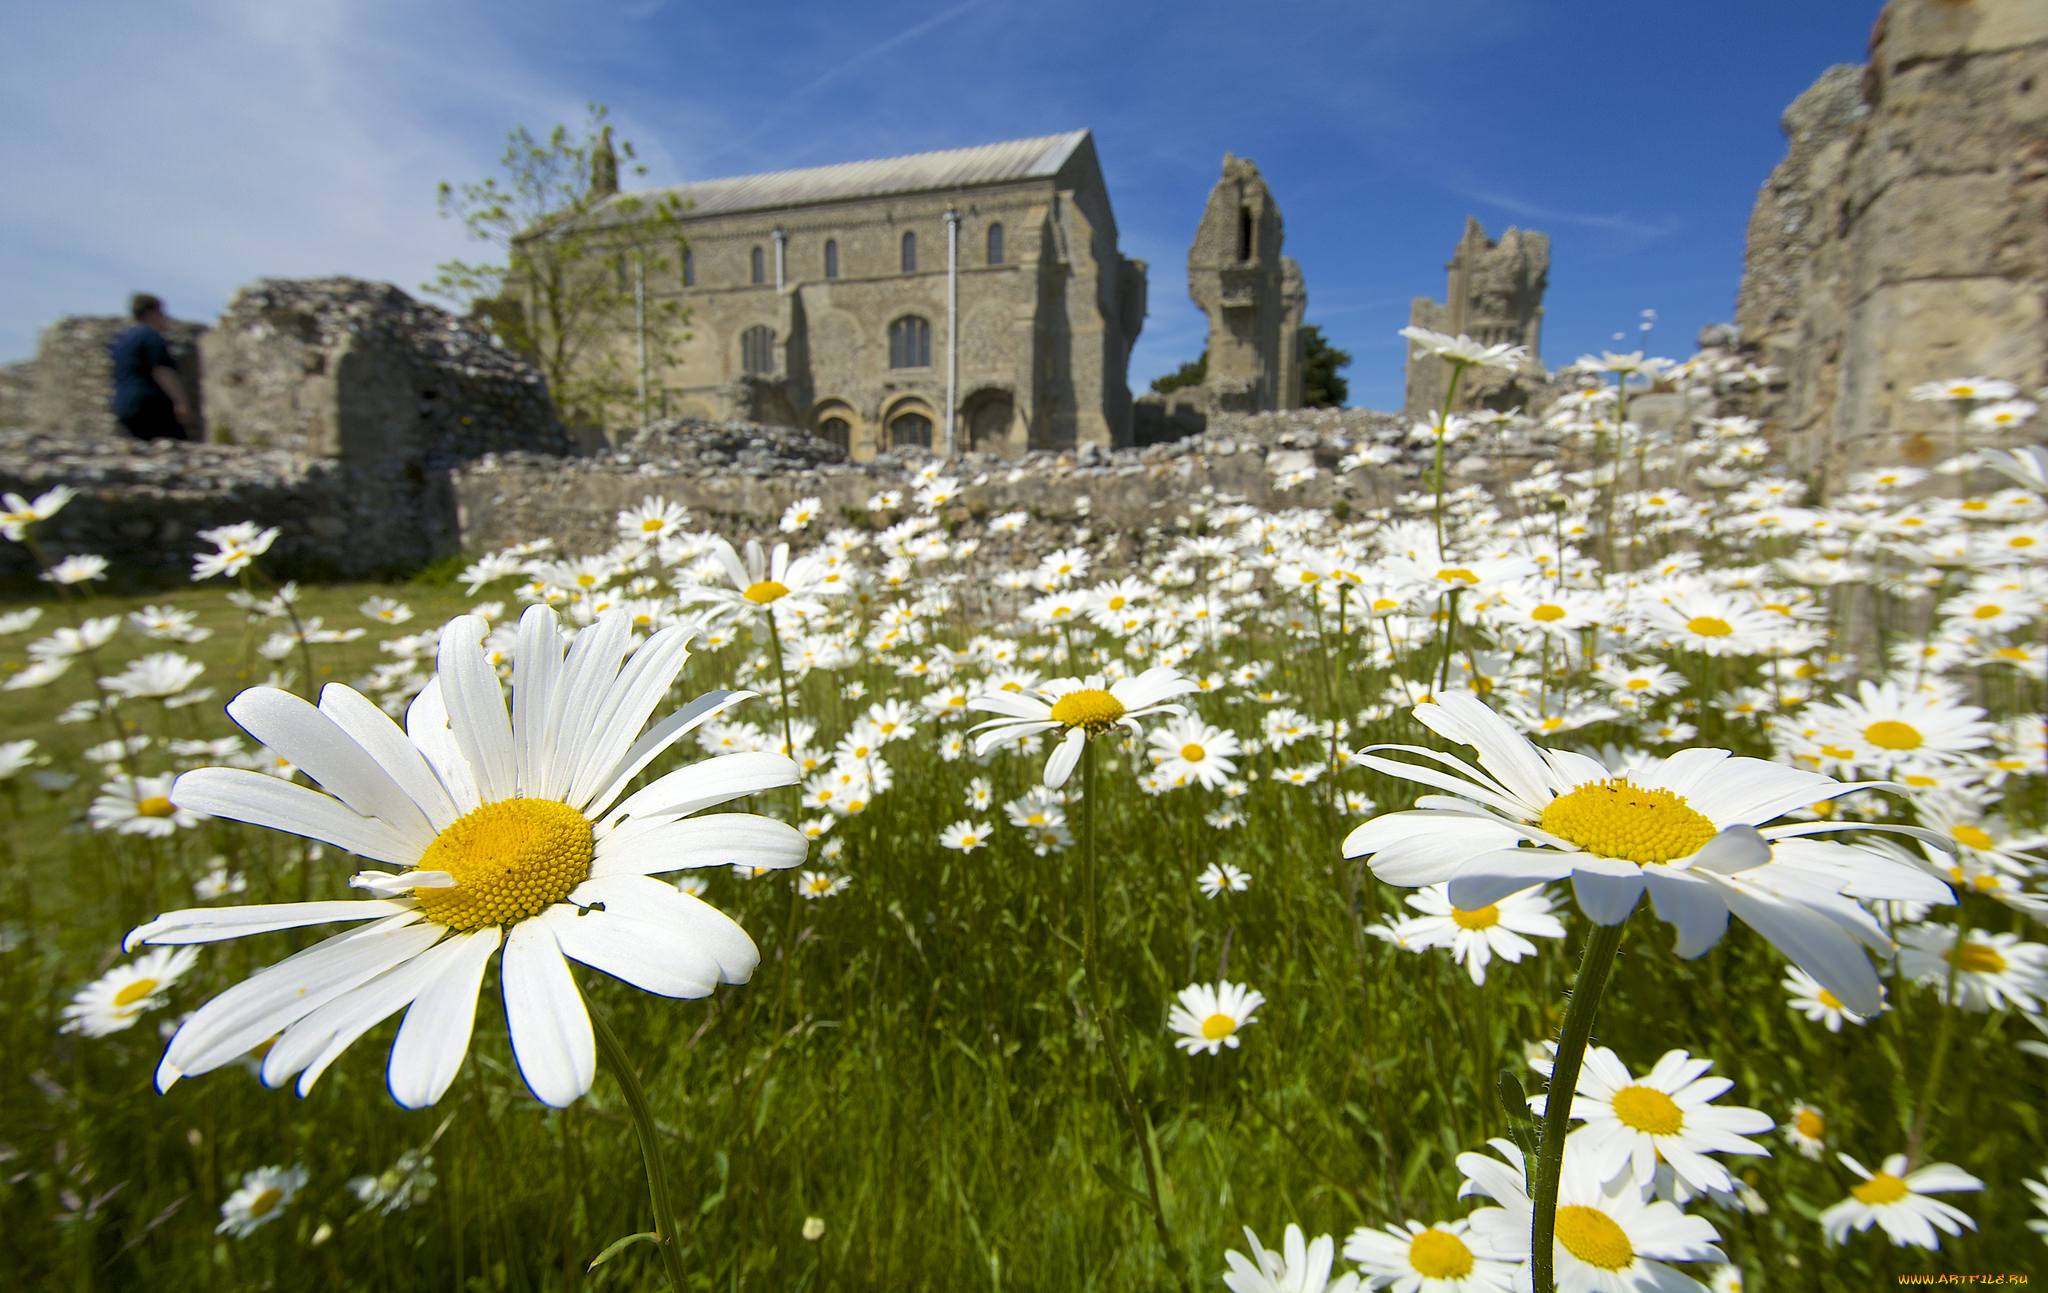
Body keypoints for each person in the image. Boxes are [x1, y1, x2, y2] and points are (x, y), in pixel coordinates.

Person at [109, 293, 190, 441]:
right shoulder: (150, 335)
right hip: (149, 405)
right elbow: (161, 370)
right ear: (150, 313)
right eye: (161, 312)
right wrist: (180, 402)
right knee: (177, 448)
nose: (165, 317)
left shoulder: (122, 340)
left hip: (124, 406)